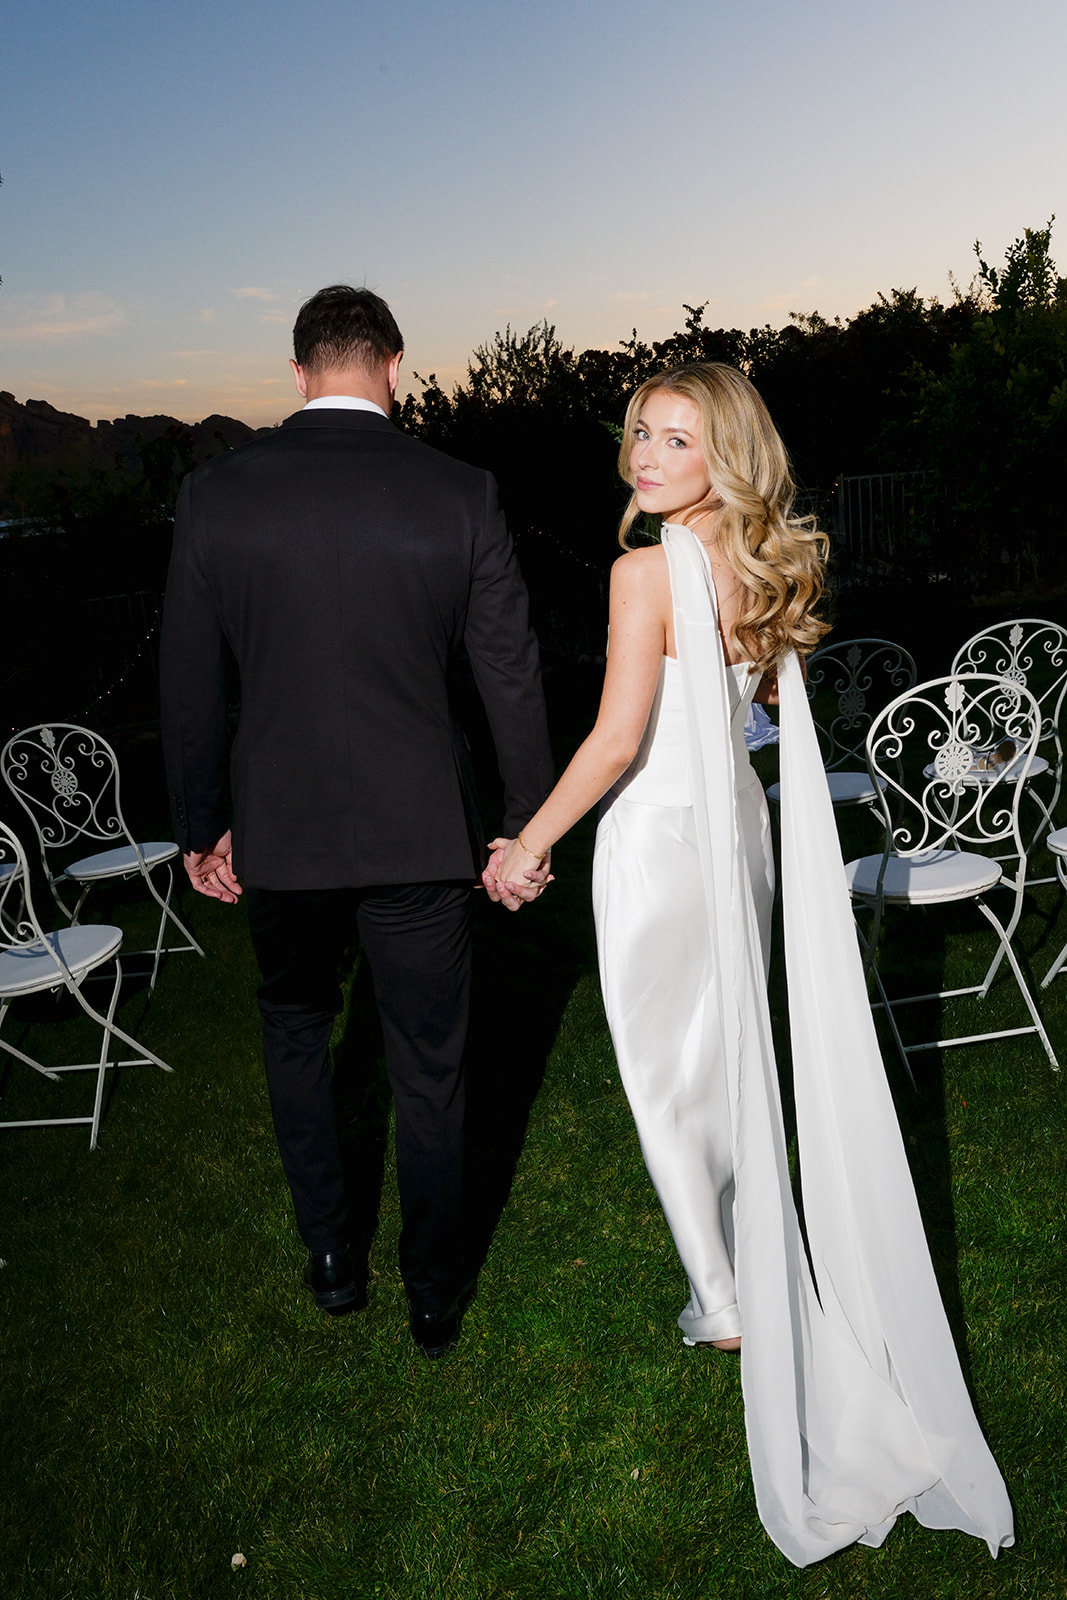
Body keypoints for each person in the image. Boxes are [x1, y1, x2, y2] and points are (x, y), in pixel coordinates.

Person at [486, 364, 1014, 1565]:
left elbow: (619, 737)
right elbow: (753, 719)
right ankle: (733, 1265)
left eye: (675, 437)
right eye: (638, 432)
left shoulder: (639, 572)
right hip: (739, 835)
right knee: (722, 1055)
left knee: (665, 1075)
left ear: (723, 452)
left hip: (661, 847)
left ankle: (723, 1293)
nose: (645, 454)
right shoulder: (773, 561)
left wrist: (529, 840)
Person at [160, 285, 553, 1360]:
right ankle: (434, 1292)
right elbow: (509, 675)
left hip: (278, 834)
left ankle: (332, 1259)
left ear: (298, 374)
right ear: (392, 365)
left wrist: (202, 824)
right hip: (421, 831)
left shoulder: (217, 497)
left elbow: (189, 682)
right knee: (431, 1064)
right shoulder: (459, 492)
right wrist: (528, 822)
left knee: (295, 1031)